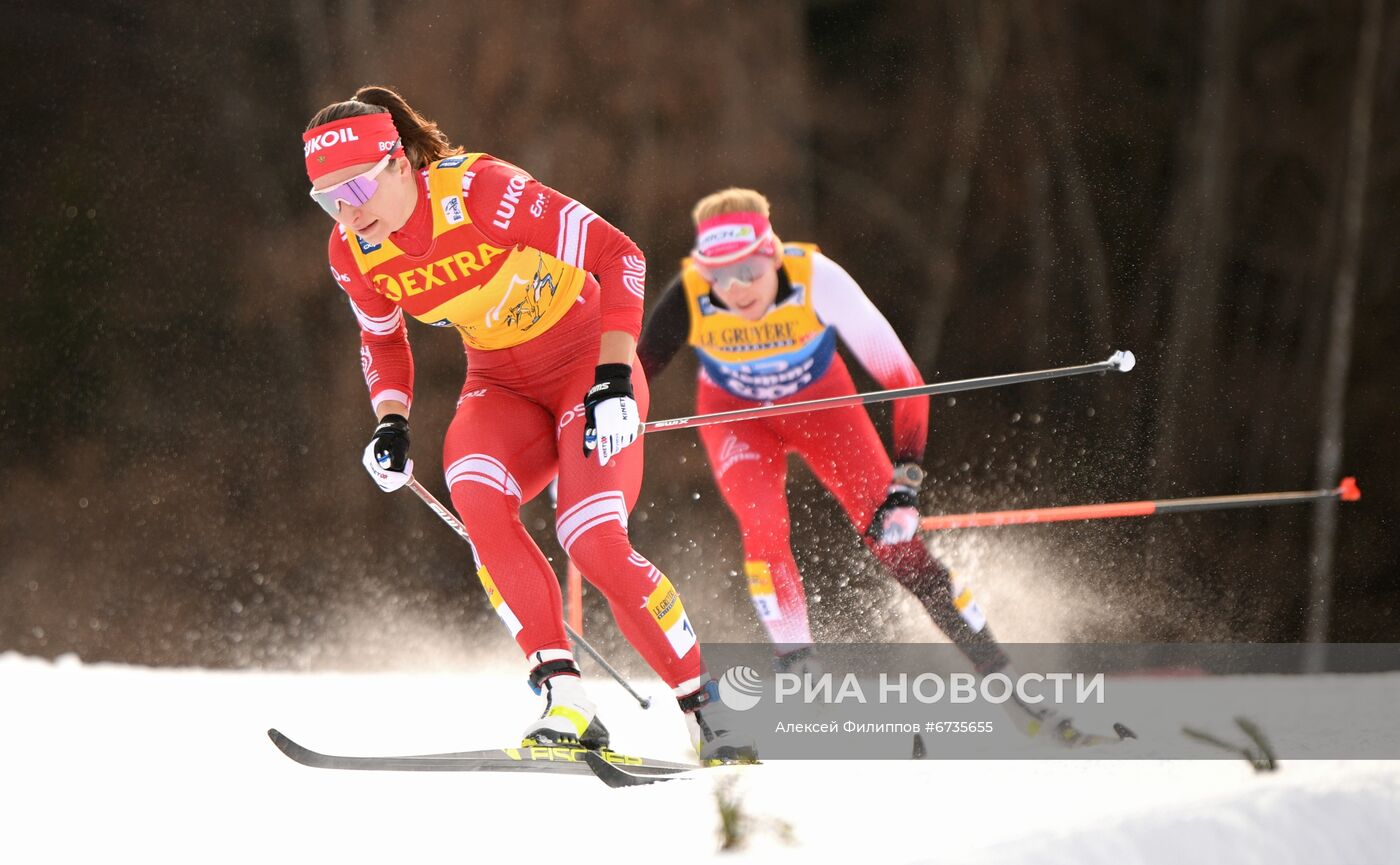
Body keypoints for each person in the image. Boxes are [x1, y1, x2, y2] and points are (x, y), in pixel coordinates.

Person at [301, 86, 753, 763]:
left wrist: (613, 377)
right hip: (499, 384)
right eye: (329, 198)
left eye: (358, 186)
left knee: (591, 537)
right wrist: (390, 422)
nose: (348, 210)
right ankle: (566, 697)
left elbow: (620, 256)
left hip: (584, 368)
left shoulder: (483, 192)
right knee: (475, 489)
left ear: (399, 163)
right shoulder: (354, 252)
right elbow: (383, 341)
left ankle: (707, 708)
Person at [639, 188, 1075, 741]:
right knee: (763, 524)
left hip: (820, 405)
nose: (736, 287)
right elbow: (633, 377)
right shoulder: (689, 294)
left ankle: (1003, 679)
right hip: (735, 414)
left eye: (749, 268)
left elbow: (903, 378)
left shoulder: (817, 277)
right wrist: (604, 419)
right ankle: (803, 674)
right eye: (720, 275)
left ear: (772, 253)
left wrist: (907, 483)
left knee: (896, 545)